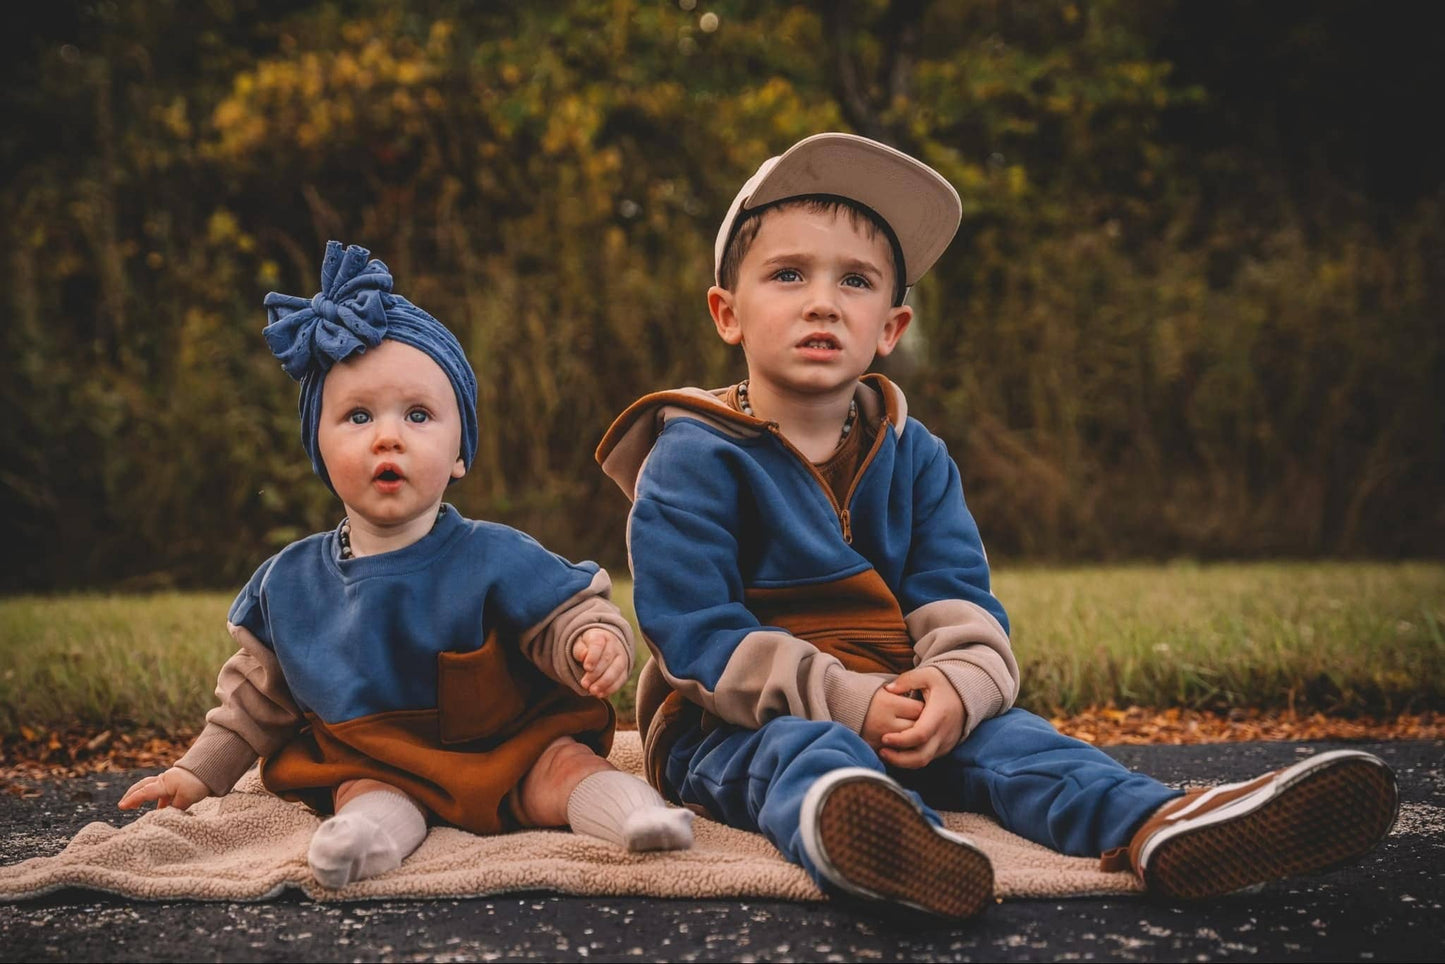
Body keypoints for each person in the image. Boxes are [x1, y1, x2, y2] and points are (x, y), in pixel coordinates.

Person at [595, 132, 1398, 920]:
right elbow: (694, 632)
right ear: (726, 314)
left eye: (855, 282)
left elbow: (957, 600)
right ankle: (876, 836)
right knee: (805, 757)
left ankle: (1160, 825)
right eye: (789, 274)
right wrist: (846, 701)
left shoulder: (915, 456)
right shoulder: (692, 454)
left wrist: (953, 687)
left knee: (1021, 747)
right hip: (725, 725)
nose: (821, 301)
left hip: (904, 704)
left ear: (889, 329)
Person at [120, 241, 692, 888]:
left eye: (417, 415)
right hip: (379, 760)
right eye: (357, 415)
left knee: (564, 769)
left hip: (507, 750)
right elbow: (255, 697)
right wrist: (196, 774)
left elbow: (564, 613)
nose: (387, 435)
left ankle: (633, 816)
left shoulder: (492, 554)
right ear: (319, 446)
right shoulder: (291, 584)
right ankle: (363, 839)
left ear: (458, 453)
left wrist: (593, 642)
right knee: (361, 789)